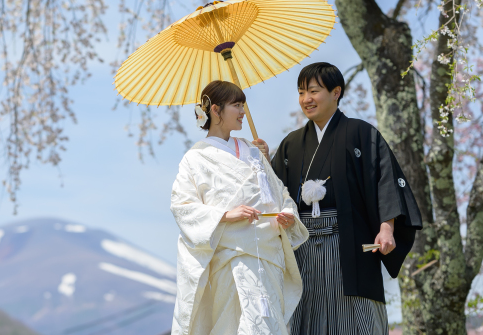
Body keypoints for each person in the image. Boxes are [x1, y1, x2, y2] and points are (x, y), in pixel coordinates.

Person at [269, 62, 423, 335]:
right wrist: (261, 161)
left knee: (356, 320)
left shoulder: (362, 134)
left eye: (313, 91)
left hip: (349, 245)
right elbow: (272, 191)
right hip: (303, 247)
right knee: (306, 314)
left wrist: (387, 227)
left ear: (336, 92)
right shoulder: (291, 144)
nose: (306, 99)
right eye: (301, 92)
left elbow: (385, 181)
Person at [171, 80, 309, 335]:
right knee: (236, 324)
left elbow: (280, 194)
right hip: (231, 254)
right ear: (215, 110)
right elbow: (182, 206)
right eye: (237, 105)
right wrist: (224, 214)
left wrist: (287, 214)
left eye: (243, 105)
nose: (243, 112)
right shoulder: (195, 158)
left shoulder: (253, 151)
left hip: (267, 253)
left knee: (267, 323)